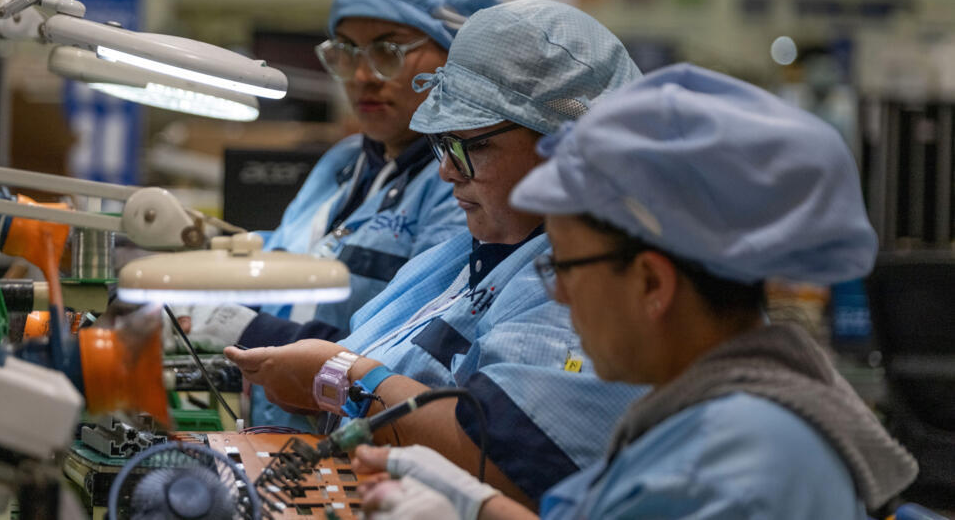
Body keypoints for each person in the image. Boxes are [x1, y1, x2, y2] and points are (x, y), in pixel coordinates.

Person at [350, 64, 919, 520]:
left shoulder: (721, 470)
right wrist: (481, 507)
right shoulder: (724, 419)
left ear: (651, 283)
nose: (561, 297)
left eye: (566, 267)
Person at [224, 0, 647, 506]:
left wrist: (341, 377)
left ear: (565, 146)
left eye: (468, 146)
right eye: (441, 145)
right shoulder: (455, 262)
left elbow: (509, 460)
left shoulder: (588, 286)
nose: (446, 170)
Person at [178, 0, 499, 427]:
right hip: (281, 436)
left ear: (454, 53)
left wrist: (242, 326)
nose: (362, 75)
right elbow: (281, 266)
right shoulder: (341, 165)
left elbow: (413, 347)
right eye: (347, 49)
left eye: (388, 50)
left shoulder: (461, 186)